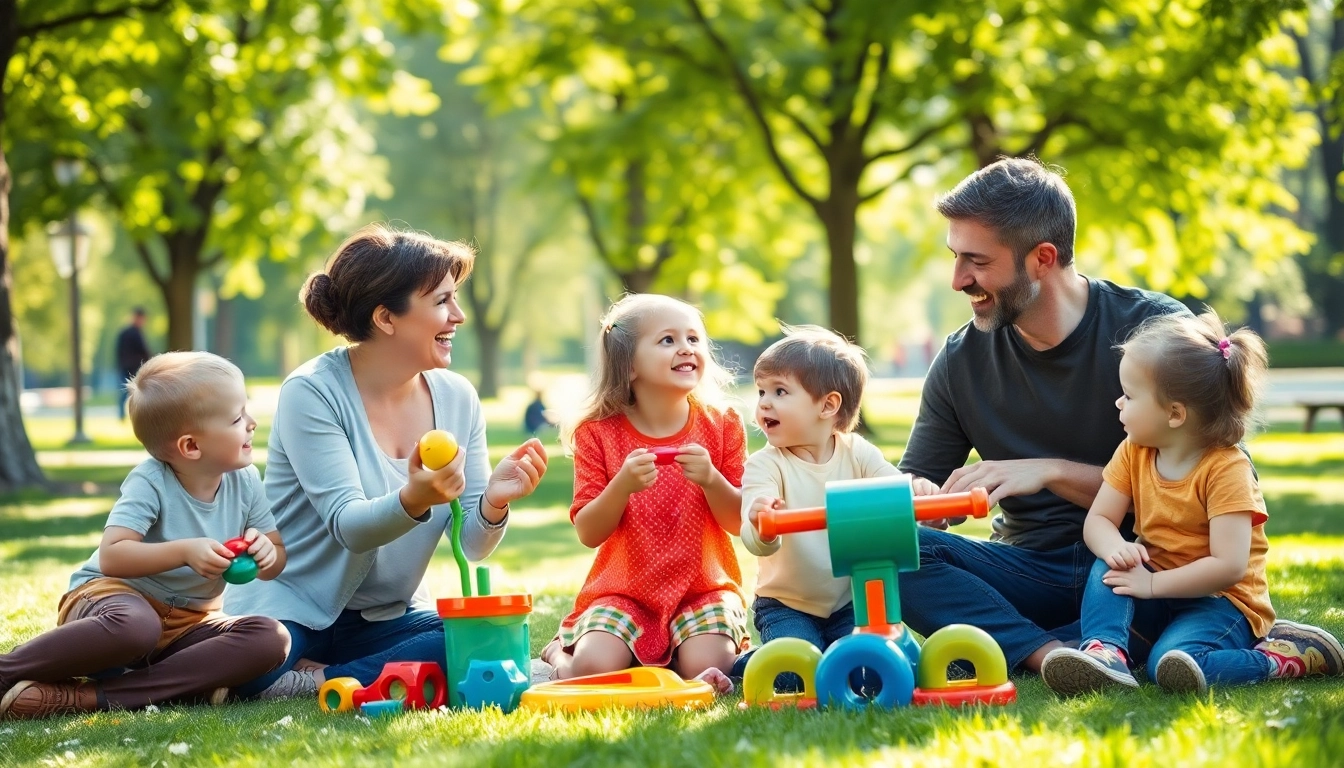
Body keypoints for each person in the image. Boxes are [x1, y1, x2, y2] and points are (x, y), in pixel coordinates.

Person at [895, 156, 1343, 675]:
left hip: (1144, 567)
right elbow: (922, 486)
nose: (957, 279)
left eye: (976, 260)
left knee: (1128, 604)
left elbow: (1218, 476)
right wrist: (918, 494)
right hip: (1030, 567)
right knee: (898, 554)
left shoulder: (1156, 334)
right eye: (955, 257)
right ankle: (1057, 654)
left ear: (1042, 258)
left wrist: (1051, 472)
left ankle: (1074, 643)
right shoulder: (960, 361)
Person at [225, 224, 548, 699]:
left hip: (384, 618)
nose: (458, 315)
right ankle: (318, 675)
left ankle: (319, 681)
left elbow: (473, 545)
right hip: (291, 608)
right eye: (441, 301)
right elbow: (349, 525)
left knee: (470, 638)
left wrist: (495, 502)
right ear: (386, 318)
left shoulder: (457, 398)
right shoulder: (312, 392)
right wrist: (413, 498)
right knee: (244, 661)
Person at [1042, 312, 1344, 695]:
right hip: (1157, 586)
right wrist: (1116, 548)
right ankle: (1107, 652)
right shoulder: (1134, 451)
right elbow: (1099, 519)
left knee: (1172, 666)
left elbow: (1228, 566)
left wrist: (1152, 585)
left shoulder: (1226, 469)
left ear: (1175, 413)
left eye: (1130, 396)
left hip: (1221, 602)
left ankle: (1287, 656)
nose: (1118, 403)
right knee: (1110, 562)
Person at [0, 352, 289, 719]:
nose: (251, 423)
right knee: (137, 627)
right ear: (191, 446)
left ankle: (88, 698)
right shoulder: (151, 480)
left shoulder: (245, 481)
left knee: (270, 637)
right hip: (112, 603)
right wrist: (184, 551)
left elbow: (275, 558)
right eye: (237, 418)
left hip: (188, 623)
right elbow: (113, 555)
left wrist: (267, 552)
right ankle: (6, 670)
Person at [537, 294, 747, 692]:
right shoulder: (597, 434)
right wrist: (622, 487)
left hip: (701, 590)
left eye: (694, 338)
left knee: (710, 664)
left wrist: (712, 480)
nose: (686, 348)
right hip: (623, 592)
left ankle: (663, 655)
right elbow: (588, 532)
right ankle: (558, 655)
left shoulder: (723, 425)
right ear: (630, 365)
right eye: (667, 340)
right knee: (594, 670)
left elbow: (738, 523)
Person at [734, 325, 900, 688]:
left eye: (780, 391)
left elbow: (893, 490)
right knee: (799, 676)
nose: (764, 402)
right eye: (762, 390)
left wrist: (914, 489)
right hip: (786, 604)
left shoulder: (857, 452)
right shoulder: (766, 464)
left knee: (866, 676)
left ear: (828, 405)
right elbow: (752, 535)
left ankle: (794, 654)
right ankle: (744, 666)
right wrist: (761, 520)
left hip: (849, 603)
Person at [114, 307, 153, 419]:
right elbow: (143, 351)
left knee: (128, 393)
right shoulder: (133, 333)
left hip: (130, 366)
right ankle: (125, 415)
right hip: (131, 367)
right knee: (127, 392)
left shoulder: (130, 333)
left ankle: (129, 415)